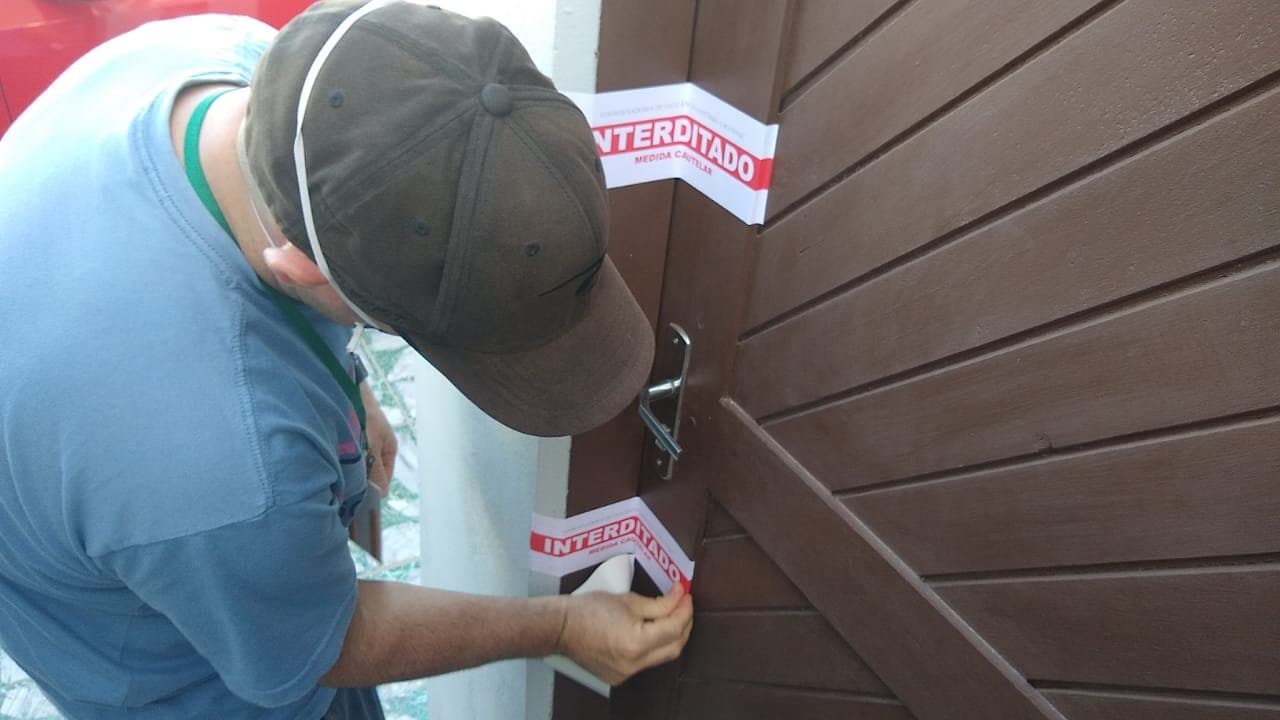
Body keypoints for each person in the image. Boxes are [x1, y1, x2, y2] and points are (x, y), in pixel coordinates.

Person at [0, 0, 692, 717]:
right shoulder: (222, 468)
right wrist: (563, 626)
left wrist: (348, 387)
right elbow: (324, 642)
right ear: (303, 270)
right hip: (179, 681)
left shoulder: (235, 63)